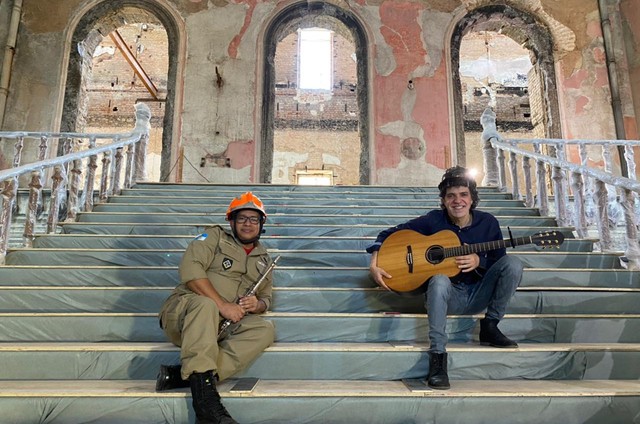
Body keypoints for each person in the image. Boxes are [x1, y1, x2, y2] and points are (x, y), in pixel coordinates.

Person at [367, 166, 522, 390]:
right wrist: (374, 263)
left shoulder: (488, 223)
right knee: (439, 278)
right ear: (443, 200)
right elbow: (386, 234)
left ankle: (490, 326)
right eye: (451, 196)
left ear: (472, 199)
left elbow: (502, 265)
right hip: (447, 296)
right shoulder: (433, 221)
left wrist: (480, 261)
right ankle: (438, 357)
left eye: (463, 195)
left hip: (479, 293)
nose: (457, 201)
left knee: (514, 264)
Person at [156, 191, 276, 424]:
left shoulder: (265, 259)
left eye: (254, 219)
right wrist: (222, 305)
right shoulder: (213, 237)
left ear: (262, 224)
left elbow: (267, 298)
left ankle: (188, 377)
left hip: (221, 327)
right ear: (231, 221)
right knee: (205, 304)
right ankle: (207, 407)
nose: (248, 224)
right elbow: (190, 271)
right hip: (186, 314)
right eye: (241, 218)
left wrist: (257, 304)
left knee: (265, 329)